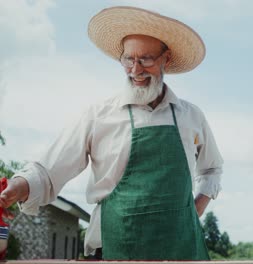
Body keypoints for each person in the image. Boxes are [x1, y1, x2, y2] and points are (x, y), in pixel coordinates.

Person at [0, 6, 223, 261]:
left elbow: (212, 170)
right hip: (113, 253)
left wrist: (193, 211)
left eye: (146, 59)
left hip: (182, 253)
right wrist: (17, 186)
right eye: (129, 59)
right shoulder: (98, 116)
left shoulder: (191, 117)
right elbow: (49, 170)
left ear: (167, 58)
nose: (135, 70)